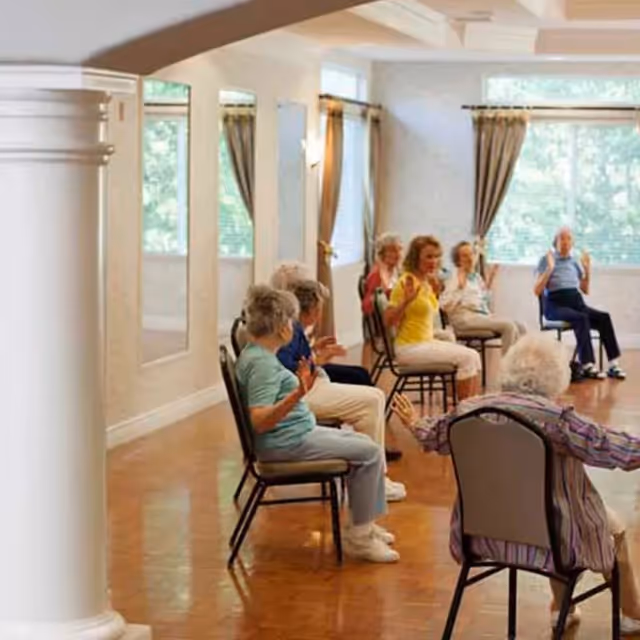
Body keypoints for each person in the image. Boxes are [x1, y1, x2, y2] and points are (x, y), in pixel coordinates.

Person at [392, 333, 640, 633]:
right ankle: (632, 615)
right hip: (552, 540)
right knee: (610, 526)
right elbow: (622, 451)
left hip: (482, 536)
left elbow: (432, 435)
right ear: (557, 376)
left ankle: (563, 606)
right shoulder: (558, 420)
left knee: (552, 508)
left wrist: (415, 422)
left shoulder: (467, 411)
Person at [235, 285, 398, 563]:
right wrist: (298, 393)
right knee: (369, 453)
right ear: (280, 326)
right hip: (286, 443)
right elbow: (260, 421)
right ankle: (359, 537)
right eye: (289, 320)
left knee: (367, 446)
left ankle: (363, 525)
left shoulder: (258, 354)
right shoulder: (261, 364)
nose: (292, 326)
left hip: (294, 434)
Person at [278, 279, 406, 501]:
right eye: (318, 309)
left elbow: (296, 362)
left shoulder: (293, 326)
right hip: (301, 396)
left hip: (312, 387)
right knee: (372, 400)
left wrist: (315, 353)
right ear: (310, 309)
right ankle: (372, 482)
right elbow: (292, 376)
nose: (319, 314)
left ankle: (373, 478)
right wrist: (318, 360)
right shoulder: (289, 329)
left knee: (374, 398)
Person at [385, 235, 481, 401]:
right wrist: (406, 301)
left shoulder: (425, 281)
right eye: (428, 256)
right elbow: (388, 321)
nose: (434, 261)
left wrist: (435, 292)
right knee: (469, 357)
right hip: (409, 348)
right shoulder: (406, 282)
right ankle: (464, 414)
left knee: (473, 356)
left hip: (424, 341)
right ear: (416, 258)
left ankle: (469, 408)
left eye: (437, 256)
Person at [534, 226, 625, 380]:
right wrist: (550, 269)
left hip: (576, 302)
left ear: (572, 243)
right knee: (581, 318)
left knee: (604, 318)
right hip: (555, 305)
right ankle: (587, 364)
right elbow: (537, 290)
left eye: (569, 239)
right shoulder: (546, 259)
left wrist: (587, 270)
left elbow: (585, 289)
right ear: (555, 242)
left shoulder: (574, 261)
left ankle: (613, 365)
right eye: (562, 238)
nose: (565, 242)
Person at [441, 240, 526, 354]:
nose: (470, 258)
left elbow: (483, 300)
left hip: (480, 316)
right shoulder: (454, 277)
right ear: (458, 260)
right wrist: (460, 288)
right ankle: (507, 370)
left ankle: (519, 365)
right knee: (508, 326)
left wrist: (491, 279)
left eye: (471, 254)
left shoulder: (475, 277)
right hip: (464, 320)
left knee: (520, 327)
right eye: (465, 256)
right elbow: (444, 305)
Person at [362, 233, 403, 316]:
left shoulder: (398, 272)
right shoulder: (377, 275)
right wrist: (389, 294)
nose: (398, 254)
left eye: (399, 250)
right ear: (382, 253)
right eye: (393, 251)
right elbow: (367, 306)